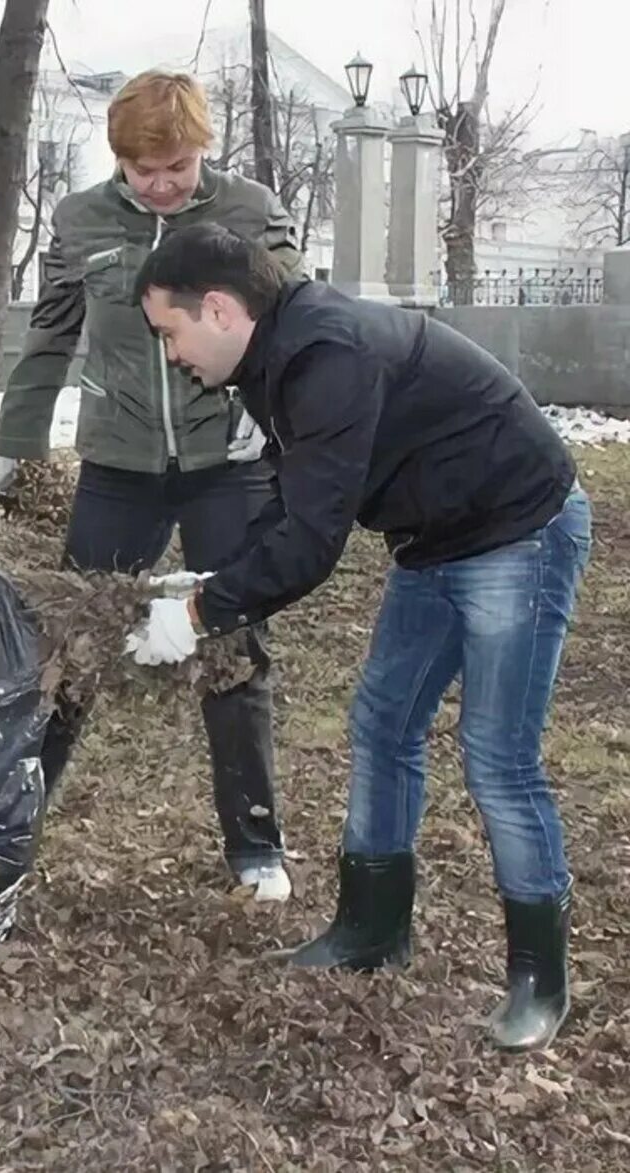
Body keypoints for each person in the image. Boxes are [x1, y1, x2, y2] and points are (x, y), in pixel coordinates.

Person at [128, 222, 590, 1052]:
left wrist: (200, 616)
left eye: (172, 331)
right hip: (437, 537)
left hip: (521, 529)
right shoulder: (279, 357)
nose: (173, 355)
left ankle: (537, 979)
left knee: (497, 757)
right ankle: (372, 929)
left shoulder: (324, 354)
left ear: (222, 310)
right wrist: (213, 582)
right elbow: (296, 494)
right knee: (383, 725)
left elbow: (313, 540)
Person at [0, 70, 299, 901]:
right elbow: (50, 333)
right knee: (71, 647)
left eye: (177, 168)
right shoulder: (81, 220)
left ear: (202, 152)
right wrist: (16, 441)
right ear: (118, 160)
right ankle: (7, 831)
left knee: (232, 644)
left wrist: (278, 408)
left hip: (226, 462)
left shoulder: (252, 210)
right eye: (142, 169)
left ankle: (255, 845)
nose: (159, 185)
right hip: (119, 463)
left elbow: (298, 314)